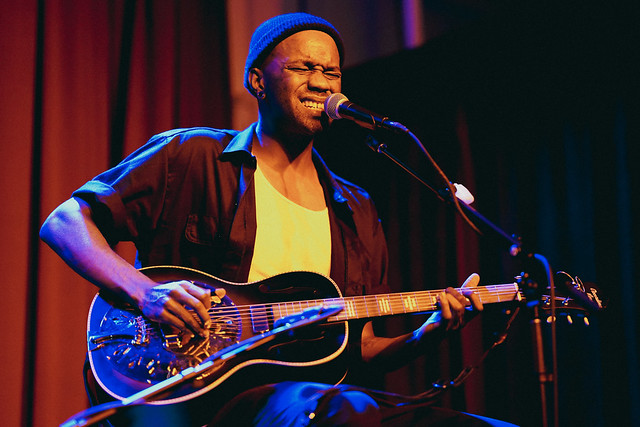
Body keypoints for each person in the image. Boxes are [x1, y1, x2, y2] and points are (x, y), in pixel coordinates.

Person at [41, 12, 515, 427]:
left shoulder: (356, 208)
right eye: (303, 67)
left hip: (303, 398)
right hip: (193, 391)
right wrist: (146, 293)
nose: (322, 83)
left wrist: (425, 335)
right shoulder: (192, 155)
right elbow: (64, 222)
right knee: (344, 408)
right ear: (257, 81)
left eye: (331, 72)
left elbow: (362, 345)